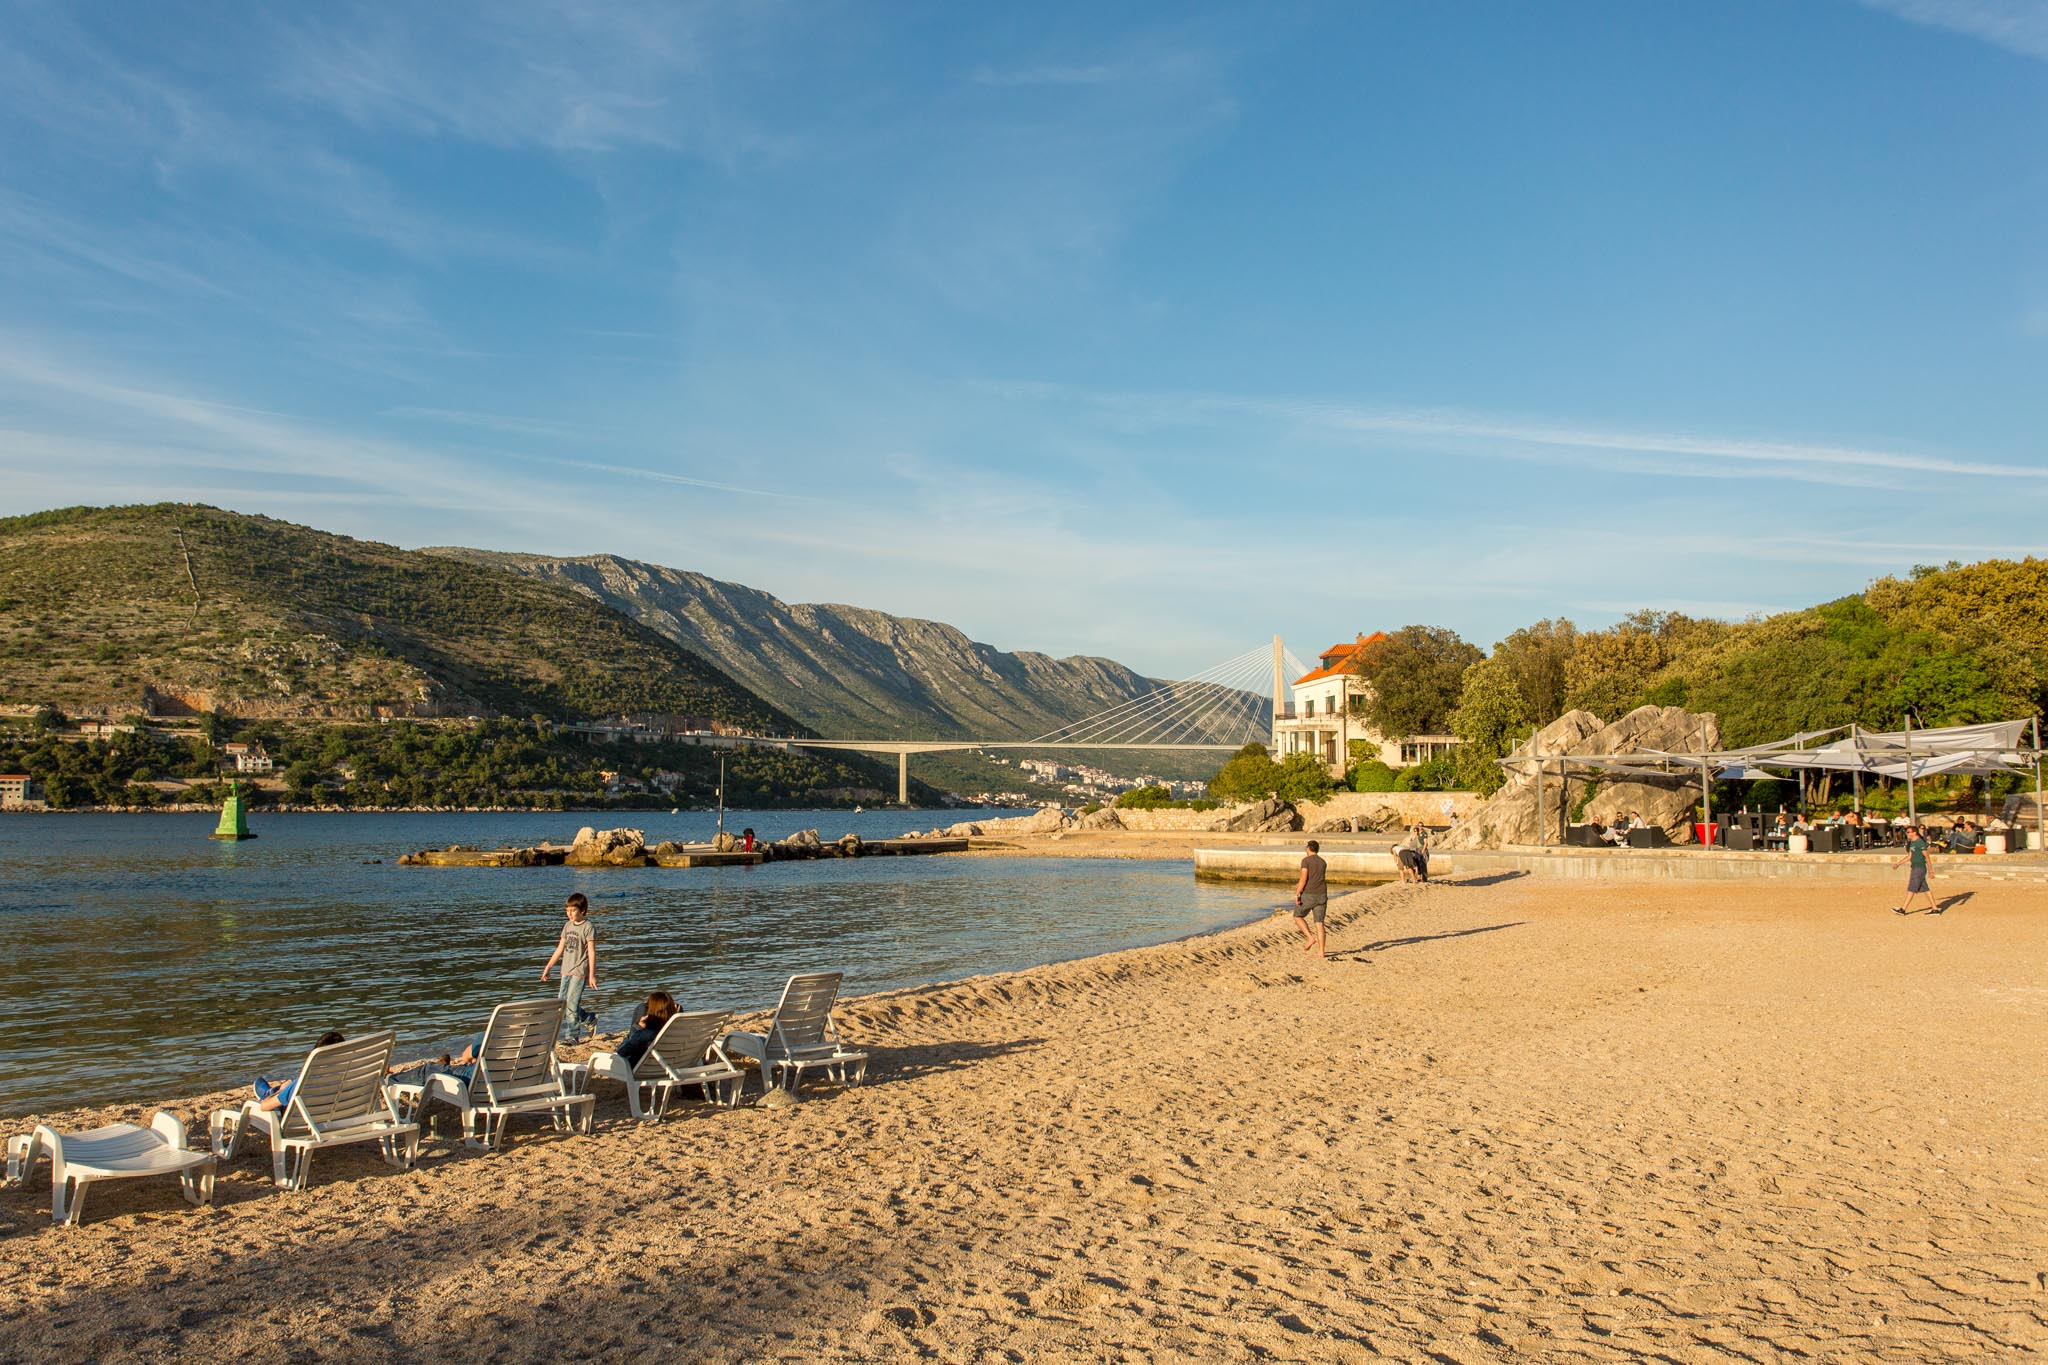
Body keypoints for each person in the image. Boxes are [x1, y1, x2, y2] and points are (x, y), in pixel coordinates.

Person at [541, 892, 599, 1040]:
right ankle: (588, 1018)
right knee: (562, 1003)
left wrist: (591, 975)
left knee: (572, 1006)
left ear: (582, 910)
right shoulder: (567, 926)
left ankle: (572, 1037)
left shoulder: (588, 927)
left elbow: (591, 952)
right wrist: (548, 967)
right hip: (565, 970)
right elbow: (560, 949)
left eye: (573, 910)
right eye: (567, 910)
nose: (569, 913)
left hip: (579, 970)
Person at [254, 1031, 345, 1111]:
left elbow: (264, 1107)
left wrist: (282, 1090)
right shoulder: (349, 1079)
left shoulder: (303, 1084)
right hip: (334, 1116)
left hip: (304, 1119)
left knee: (283, 1092)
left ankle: (269, 1093)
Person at [615, 991, 679, 1068]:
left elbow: (621, 1054)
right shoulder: (678, 1032)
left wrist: (638, 1028)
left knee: (641, 1007)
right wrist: (676, 1018)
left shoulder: (645, 1035)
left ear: (652, 1011)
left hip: (640, 1067)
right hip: (673, 1065)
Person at [1292, 839, 1329, 959]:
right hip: (1322, 894)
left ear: (1308, 848)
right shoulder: (1323, 862)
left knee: (1297, 916)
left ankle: (1310, 937)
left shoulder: (1306, 861)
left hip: (1309, 894)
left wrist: (1297, 894)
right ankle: (1321, 951)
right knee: (1319, 923)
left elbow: (1303, 879)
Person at [1892, 824, 1935, 915]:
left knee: (1911, 888)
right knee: (1925, 889)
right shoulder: (1913, 842)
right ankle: (1935, 908)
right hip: (1915, 867)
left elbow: (1927, 857)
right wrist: (1898, 864)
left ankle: (1903, 909)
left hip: (1919, 868)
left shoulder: (1920, 842)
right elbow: (1909, 856)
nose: (1907, 834)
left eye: (1908, 832)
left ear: (1914, 832)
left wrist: (1931, 870)